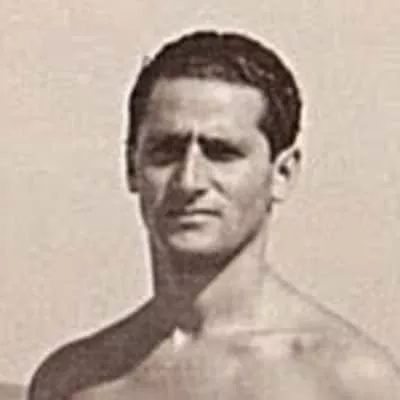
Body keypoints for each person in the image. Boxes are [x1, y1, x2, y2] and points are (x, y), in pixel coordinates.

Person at [28, 30, 400, 400]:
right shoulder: (74, 383)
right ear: (131, 166)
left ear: (282, 174)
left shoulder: (348, 383)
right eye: (166, 151)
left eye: (222, 152)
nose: (189, 181)